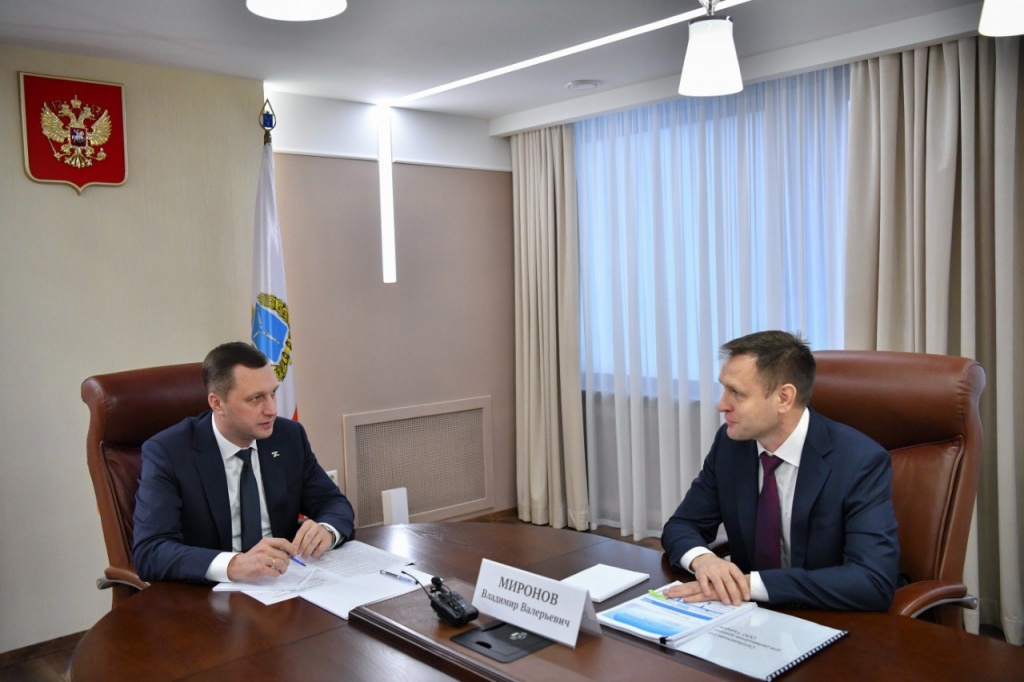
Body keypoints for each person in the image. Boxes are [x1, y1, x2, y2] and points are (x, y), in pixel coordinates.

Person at [661, 330, 899, 611]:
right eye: (724, 389)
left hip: (828, 616)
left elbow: (871, 581)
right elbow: (682, 525)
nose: (722, 405)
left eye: (736, 392)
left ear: (784, 398)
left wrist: (749, 585)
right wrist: (704, 560)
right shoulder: (731, 444)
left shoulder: (860, 461)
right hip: (746, 616)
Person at [133, 341, 355, 584]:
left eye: (273, 393)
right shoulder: (169, 453)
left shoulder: (288, 437)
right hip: (209, 592)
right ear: (217, 403)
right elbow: (150, 551)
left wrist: (327, 530)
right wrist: (233, 564)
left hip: (284, 582)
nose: (272, 409)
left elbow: (332, 502)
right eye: (256, 398)